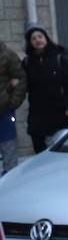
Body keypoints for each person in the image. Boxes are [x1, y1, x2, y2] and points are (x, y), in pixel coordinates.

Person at [21, 26, 68, 153]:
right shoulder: (27, 63)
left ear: (46, 38)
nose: (37, 40)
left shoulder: (60, 59)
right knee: (41, 157)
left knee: (65, 154)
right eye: (33, 38)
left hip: (61, 115)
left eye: (40, 37)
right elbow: (22, 86)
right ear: (30, 43)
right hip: (38, 118)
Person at [1, 39, 25, 174]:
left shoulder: (7, 55)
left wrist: (12, 103)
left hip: (4, 113)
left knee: (8, 151)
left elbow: (20, 79)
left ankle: (8, 185)